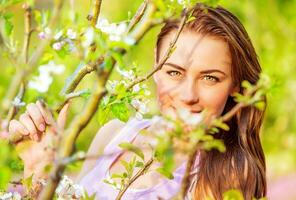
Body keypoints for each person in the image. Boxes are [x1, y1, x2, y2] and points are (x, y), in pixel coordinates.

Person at [8, 3, 267, 200]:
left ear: (237, 84)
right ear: (155, 65)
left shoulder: (229, 173)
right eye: (174, 72)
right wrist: (39, 173)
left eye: (210, 78)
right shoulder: (114, 134)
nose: (188, 95)